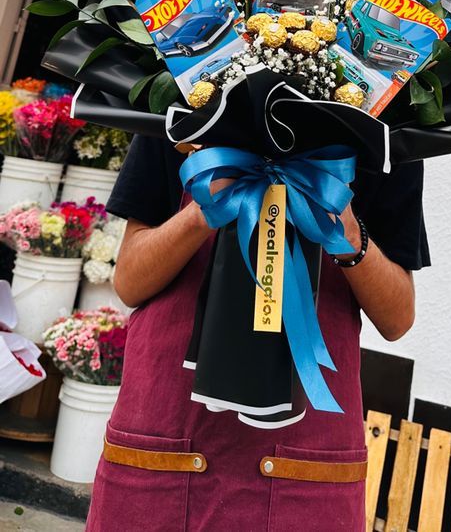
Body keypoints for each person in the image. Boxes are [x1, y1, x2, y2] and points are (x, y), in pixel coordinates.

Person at [85, 134, 430, 532]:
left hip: (305, 460)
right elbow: (130, 282)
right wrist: (203, 211)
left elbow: (397, 319)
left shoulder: (385, 132)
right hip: (163, 440)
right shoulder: (183, 110)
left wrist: (348, 236)